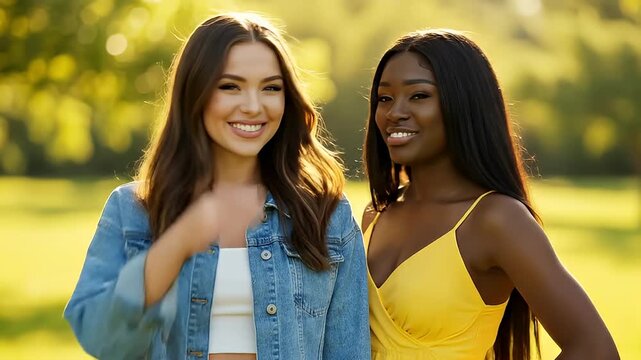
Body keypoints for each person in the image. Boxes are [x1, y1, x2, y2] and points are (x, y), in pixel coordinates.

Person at [64, 13, 370, 360]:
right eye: (230, 86)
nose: (253, 106)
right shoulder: (133, 210)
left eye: (271, 88)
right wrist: (177, 243)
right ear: (195, 93)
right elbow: (102, 340)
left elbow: (349, 350)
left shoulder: (326, 214)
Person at [361, 29, 619, 359]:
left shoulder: (496, 219)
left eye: (419, 96)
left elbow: (595, 348)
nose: (394, 112)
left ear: (465, 104)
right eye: (384, 98)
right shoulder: (376, 213)